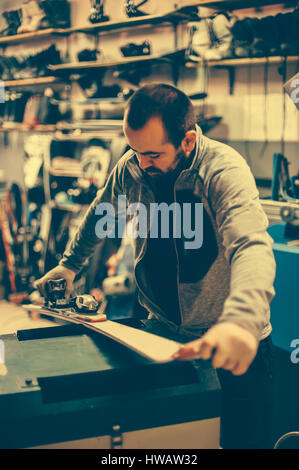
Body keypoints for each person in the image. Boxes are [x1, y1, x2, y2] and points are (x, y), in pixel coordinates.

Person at [35, 83, 276, 449]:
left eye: (151, 154)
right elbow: (102, 214)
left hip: (231, 345)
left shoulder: (223, 171)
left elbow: (251, 245)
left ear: (188, 141)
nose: (141, 164)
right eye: (134, 151)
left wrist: (242, 321)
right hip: (161, 336)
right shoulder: (132, 167)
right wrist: (69, 266)